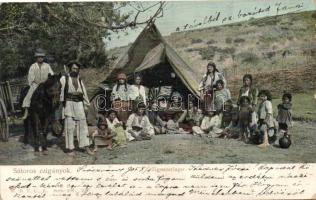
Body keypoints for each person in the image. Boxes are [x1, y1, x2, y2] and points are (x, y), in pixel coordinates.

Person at [60, 61, 94, 156]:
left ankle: (85, 146)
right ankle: (70, 148)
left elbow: (84, 92)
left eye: (77, 69)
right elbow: (61, 93)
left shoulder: (79, 79)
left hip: (79, 104)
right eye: (73, 68)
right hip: (69, 104)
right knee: (69, 127)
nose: (75, 70)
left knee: (83, 126)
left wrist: (87, 104)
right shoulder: (64, 79)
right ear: (70, 68)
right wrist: (62, 106)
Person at [22, 48, 54, 119]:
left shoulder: (47, 66)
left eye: (42, 57)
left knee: (52, 94)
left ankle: (52, 110)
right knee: (29, 94)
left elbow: (51, 74)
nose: (40, 58)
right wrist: (34, 81)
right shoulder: (33, 66)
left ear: (43, 57)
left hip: (45, 84)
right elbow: (30, 76)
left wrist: (48, 81)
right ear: (36, 57)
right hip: (35, 84)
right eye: (39, 57)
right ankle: (26, 110)